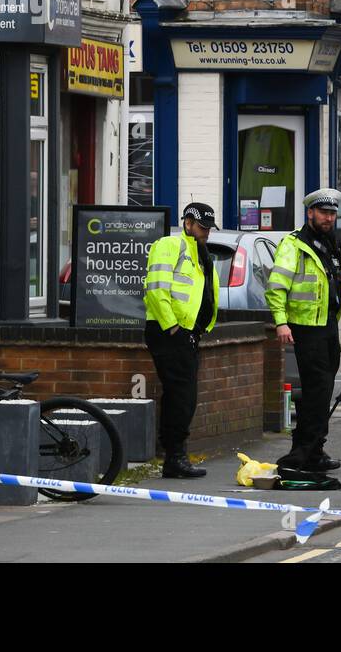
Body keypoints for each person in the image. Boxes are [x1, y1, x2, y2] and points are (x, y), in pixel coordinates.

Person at [266, 188, 341, 472]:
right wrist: (281, 321)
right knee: (316, 392)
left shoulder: (338, 246)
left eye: (333, 213)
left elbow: (338, 289)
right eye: (323, 212)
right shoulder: (294, 245)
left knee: (321, 392)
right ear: (310, 213)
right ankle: (301, 454)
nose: (328, 218)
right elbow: (276, 288)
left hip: (328, 327)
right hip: (305, 328)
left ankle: (314, 449)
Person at [143, 202, 221, 479]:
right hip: (169, 332)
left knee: (182, 397)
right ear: (188, 223)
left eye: (209, 228)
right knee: (182, 396)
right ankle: (175, 457)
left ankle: (175, 456)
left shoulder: (201, 253)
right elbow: (155, 288)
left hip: (187, 333)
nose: (206, 233)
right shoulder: (170, 245)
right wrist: (173, 327)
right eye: (202, 227)